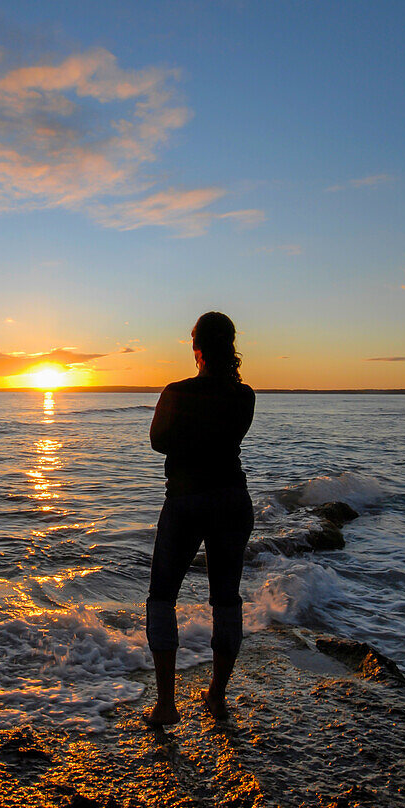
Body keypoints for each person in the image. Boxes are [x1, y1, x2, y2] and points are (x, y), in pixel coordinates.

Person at [144, 311, 255, 726]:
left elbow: (158, 442)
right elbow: (229, 435)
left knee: (162, 597)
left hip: (187, 500)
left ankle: (166, 705)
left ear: (198, 348)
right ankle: (217, 697)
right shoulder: (245, 397)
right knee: (225, 598)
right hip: (231, 499)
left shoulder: (177, 392)